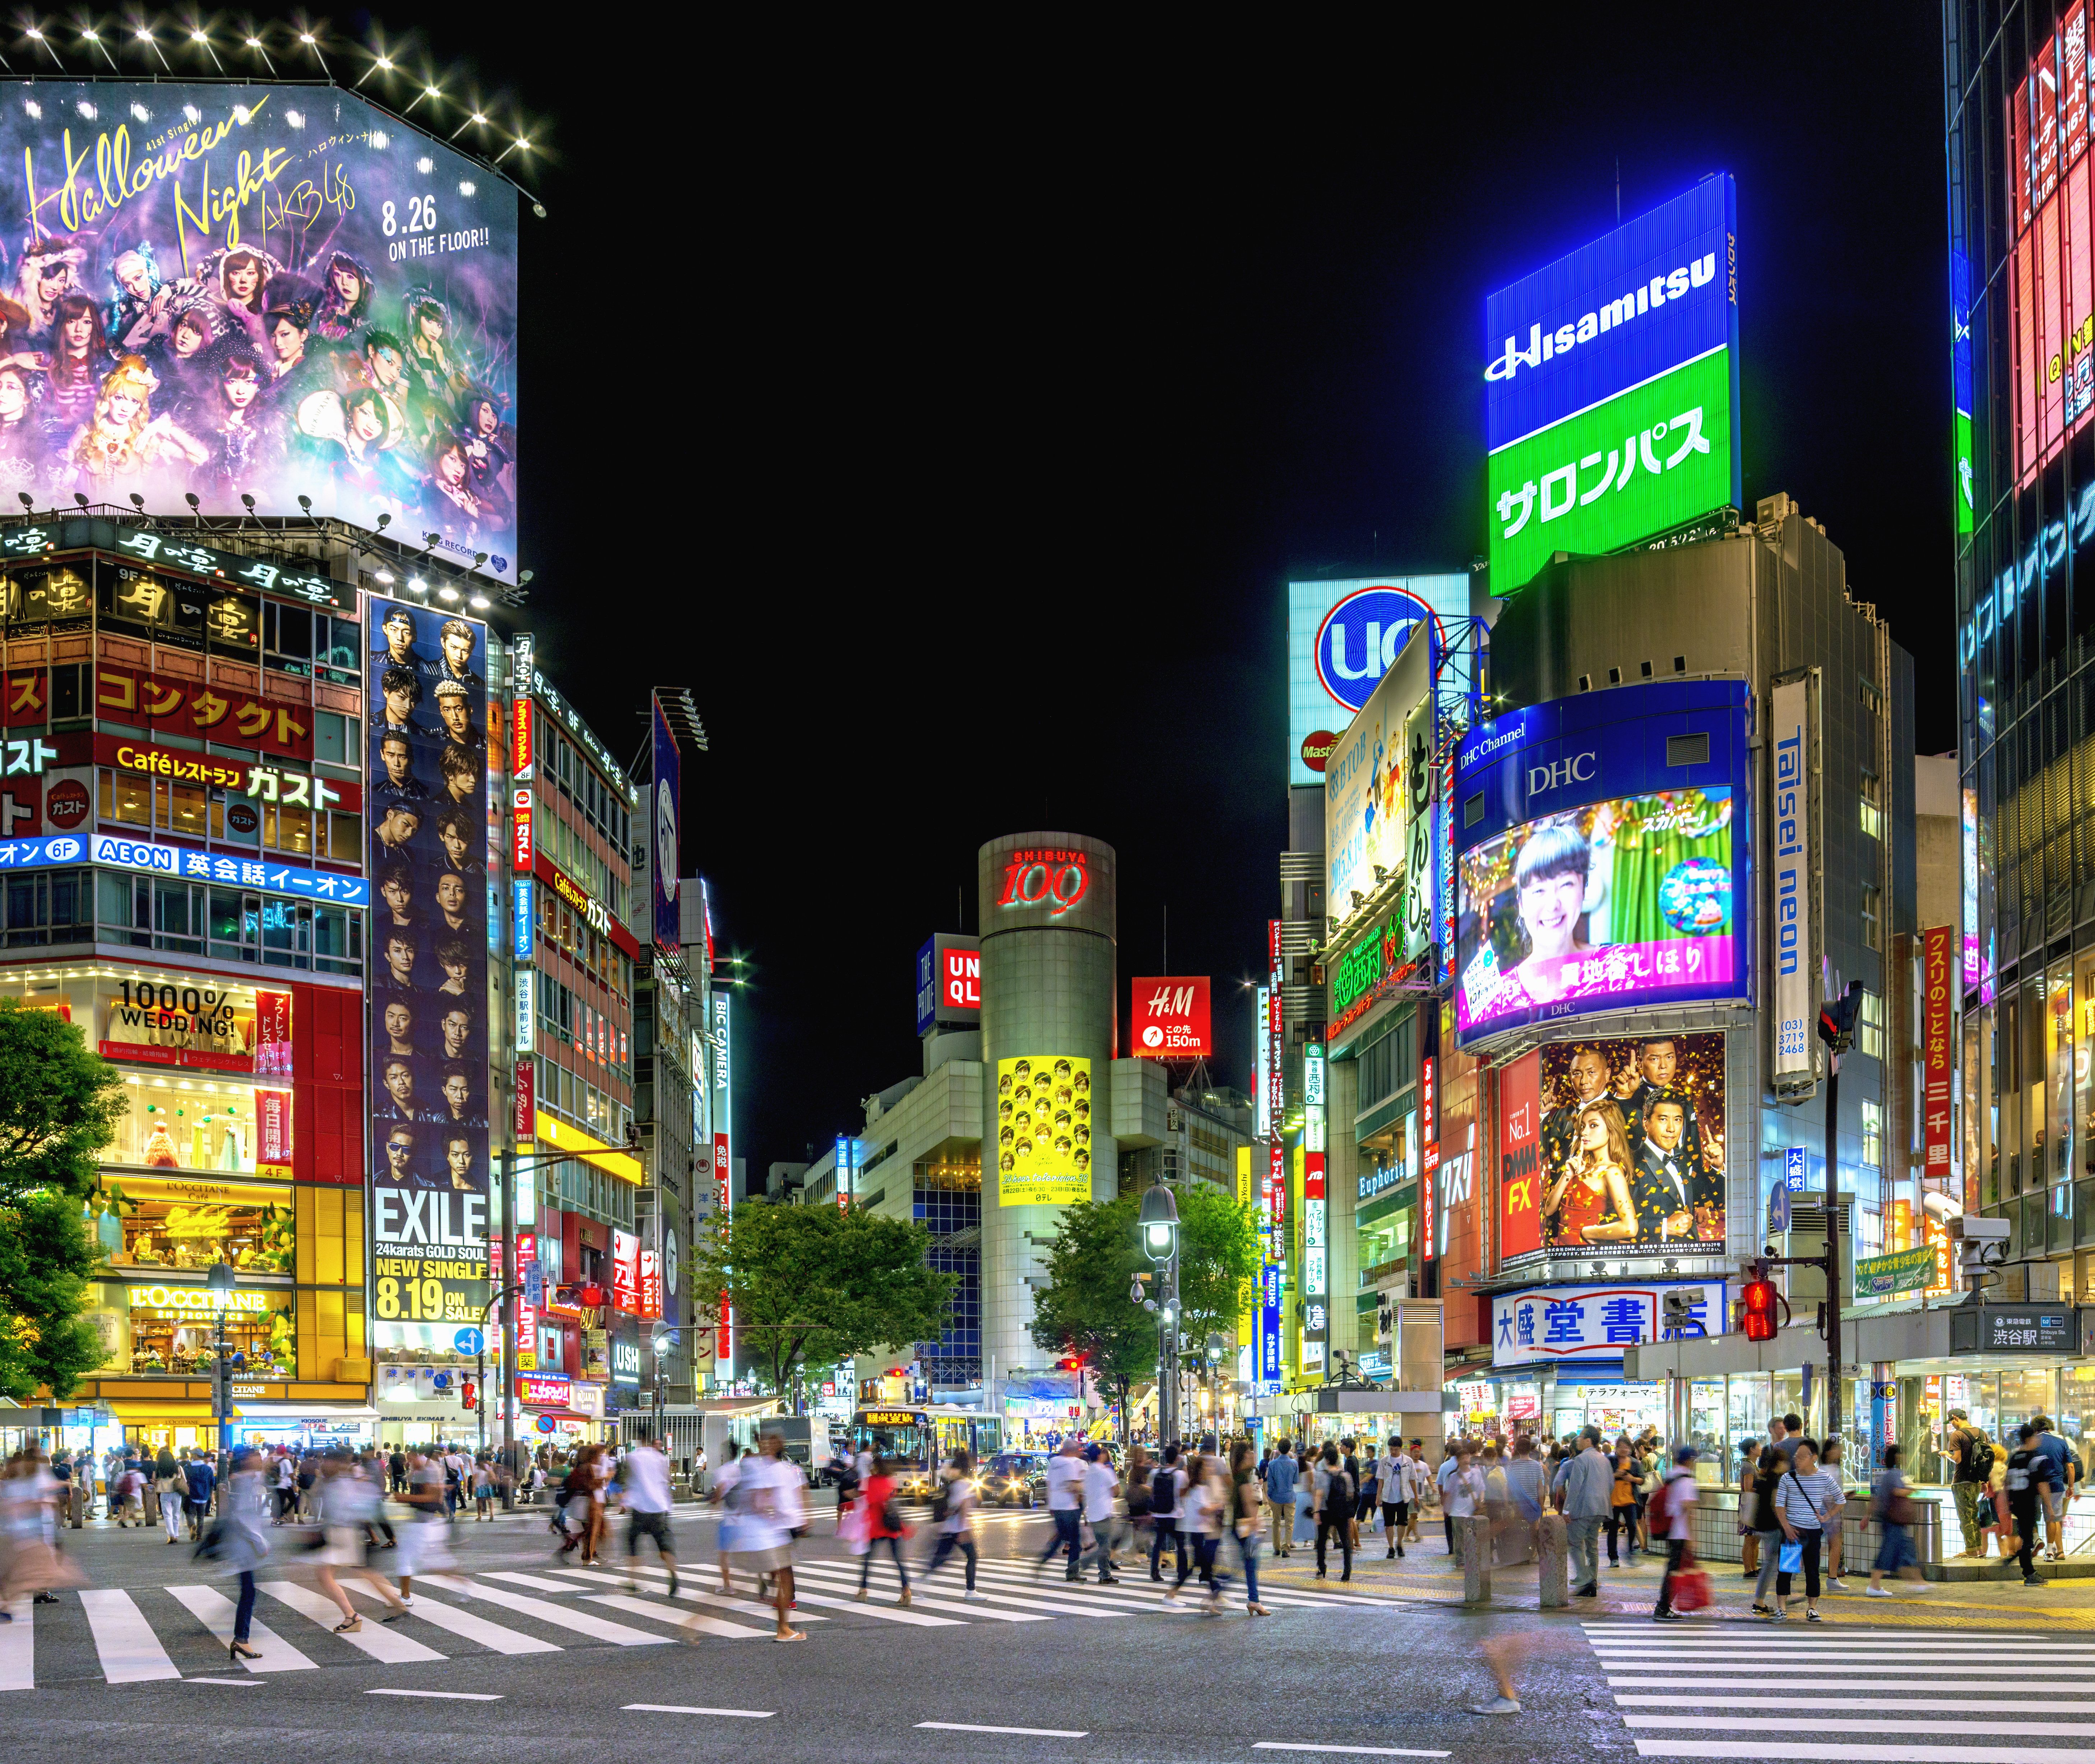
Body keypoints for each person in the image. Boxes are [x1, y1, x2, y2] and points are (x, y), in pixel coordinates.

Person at [310, 1450, 411, 1632]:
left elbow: (361, 1505)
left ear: (337, 1463)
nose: (323, 1464)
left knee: (325, 1574)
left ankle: (352, 1617)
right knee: (365, 1573)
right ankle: (398, 1605)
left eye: (327, 1461)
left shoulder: (347, 1481)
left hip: (344, 1533)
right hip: (341, 1533)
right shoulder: (334, 1480)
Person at [1772, 1436, 1840, 1621]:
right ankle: (1782, 1608)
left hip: (1813, 1531)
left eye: (1803, 1456)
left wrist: (1828, 1516)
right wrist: (1786, 1527)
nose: (1798, 1459)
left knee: (1813, 1570)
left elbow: (1841, 1500)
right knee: (1786, 1571)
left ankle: (1812, 1608)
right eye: (1797, 1456)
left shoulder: (1824, 1477)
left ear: (1814, 1458)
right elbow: (1780, 1505)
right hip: (1793, 1531)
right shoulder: (1789, 1477)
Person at [1865, 1443, 1932, 1598]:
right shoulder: (1895, 1474)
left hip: (1889, 1519)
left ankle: (1918, 1582)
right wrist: (1912, 1490)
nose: (1904, 1457)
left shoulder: (1889, 1474)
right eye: (1901, 1454)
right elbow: (1897, 1492)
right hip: (1892, 1520)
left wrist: (1867, 1516)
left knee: (1905, 1551)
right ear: (1897, 1456)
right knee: (1889, 1552)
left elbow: (1877, 1498)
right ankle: (1874, 1585)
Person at [1553, 1426, 1613, 1598]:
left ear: (1588, 1441)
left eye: (1581, 1437)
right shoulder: (1605, 1460)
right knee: (1592, 1546)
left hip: (1584, 1509)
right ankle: (1592, 1582)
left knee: (1573, 1542)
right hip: (1602, 1509)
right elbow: (1611, 1485)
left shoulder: (1581, 1460)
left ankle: (1586, 1579)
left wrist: (1566, 1510)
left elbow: (1575, 1487)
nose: (1578, 1440)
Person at [923, 1448, 989, 1602]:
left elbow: (953, 1507)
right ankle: (970, 1591)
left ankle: (923, 1578)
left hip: (949, 1527)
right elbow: (964, 1507)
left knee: (943, 1557)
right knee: (972, 1556)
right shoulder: (965, 1484)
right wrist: (963, 1529)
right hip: (959, 1528)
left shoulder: (953, 1483)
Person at [391, 1447, 452, 1606]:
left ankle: (405, 1597)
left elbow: (430, 1497)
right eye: (408, 1459)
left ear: (420, 1456)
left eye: (412, 1458)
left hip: (424, 1524)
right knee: (424, 1561)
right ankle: (462, 1583)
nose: (409, 1462)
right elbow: (434, 1493)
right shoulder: (421, 1469)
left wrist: (403, 1498)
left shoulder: (429, 1469)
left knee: (409, 1559)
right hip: (424, 1521)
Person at [621, 1431, 678, 1597]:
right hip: (659, 1508)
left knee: (632, 1540)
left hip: (640, 1508)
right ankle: (673, 1572)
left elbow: (628, 1480)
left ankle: (633, 1580)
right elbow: (667, 1479)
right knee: (663, 1542)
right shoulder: (661, 1458)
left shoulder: (633, 1457)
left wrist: (624, 1502)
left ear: (639, 1439)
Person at [1650, 1445, 1700, 1621]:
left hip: (1671, 1529)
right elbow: (1687, 1507)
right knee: (1673, 1570)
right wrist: (1691, 1537)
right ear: (1689, 1460)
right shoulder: (1686, 1479)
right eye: (1694, 1460)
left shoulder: (1672, 1474)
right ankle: (1663, 1608)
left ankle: (1665, 1606)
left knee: (1673, 1568)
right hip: (1680, 1531)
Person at [2006, 1422, 2057, 1588]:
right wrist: (2049, 1506)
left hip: (2016, 1503)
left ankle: (2019, 1561)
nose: (2037, 1439)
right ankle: (2029, 1573)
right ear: (2030, 1438)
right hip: (2029, 1502)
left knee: (2025, 1535)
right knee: (2028, 1538)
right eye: (2035, 1436)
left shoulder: (2014, 1457)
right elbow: (2042, 1484)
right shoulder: (2036, 1458)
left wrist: (2008, 1502)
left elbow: (2007, 1482)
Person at [856, 1453, 910, 1604]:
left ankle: (863, 1590)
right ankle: (906, 1591)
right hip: (891, 1527)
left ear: (875, 1467)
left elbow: (867, 1501)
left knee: (867, 1559)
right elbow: (891, 1500)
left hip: (876, 1527)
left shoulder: (869, 1482)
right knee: (899, 1561)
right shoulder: (890, 1482)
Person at [1035, 1438, 1084, 1581]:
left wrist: (1051, 1504)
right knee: (1076, 1542)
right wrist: (1081, 1494)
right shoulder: (1070, 1464)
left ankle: (1043, 1560)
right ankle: (1073, 1573)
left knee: (1060, 1538)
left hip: (1057, 1507)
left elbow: (1049, 1484)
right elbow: (1073, 1486)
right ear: (1072, 1451)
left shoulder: (1055, 1462)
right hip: (1069, 1507)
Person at [2034, 1414, 2078, 1562]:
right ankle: (2051, 1551)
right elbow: (2071, 1466)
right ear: (2049, 1427)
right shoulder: (2061, 1443)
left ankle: (2034, 1543)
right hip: (2056, 1486)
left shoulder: (2033, 1442)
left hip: (2036, 1487)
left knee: (2030, 1517)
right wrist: (2071, 1487)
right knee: (2052, 1519)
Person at [1079, 1444, 1121, 1584]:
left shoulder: (1088, 1472)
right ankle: (1103, 1574)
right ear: (1100, 1456)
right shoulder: (1105, 1471)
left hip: (1092, 1513)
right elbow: (1117, 1492)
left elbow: (1084, 1493)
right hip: (1104, 1513)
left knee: (1104, 1544)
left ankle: (1103, 1572)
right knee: (1106, 1545)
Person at [1313, 1441, 1355, 1582]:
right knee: (1346, 1542)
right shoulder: (1345, 1475)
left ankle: (1322, 1567)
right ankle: (1347, 1572)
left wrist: (1316, 1512)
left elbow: (1319, 1494)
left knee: (1322, 1541)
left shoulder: (1322, 1474)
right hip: (1342, 1513)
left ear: (1326, 1459)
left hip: (1326, 1511)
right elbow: (1351, 1494)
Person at [1820, 1435, 1852, 1590]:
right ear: (1829, 1452)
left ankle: (1831, 1577)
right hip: (1830, 1511)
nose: (1839, 1452)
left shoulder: (1824, 1469)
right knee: (1835, 1545)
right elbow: (1830, 1495)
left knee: (1829, 1544)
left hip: (1826, 1510)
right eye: (1836, 1449)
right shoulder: (1830, 1470)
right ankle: (1832, 1578)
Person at [1606, 1440, 1640, 1567]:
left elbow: (1642, 1480)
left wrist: (1632, 1479)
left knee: (1632, 1526)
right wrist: (1615, 1475)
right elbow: (1604, 1477)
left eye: (1627, 1447)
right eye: (1621, 1447)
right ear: (1617, 1448)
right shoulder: (1611, 1461)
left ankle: (1630, 1549)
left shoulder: (1635, 1463)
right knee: (1613, 1530)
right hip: (1613, 1501)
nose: (1624, 1449)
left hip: (1630, 1500)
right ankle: (1614, 1558)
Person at [1376, 1438, 1409, 1559]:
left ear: (1401, 1448)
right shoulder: (1384, 1461)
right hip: (1388, 1497)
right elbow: (1381, 1480)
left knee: (1402, 1523)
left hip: (1403, 1497)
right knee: (1389, 1524)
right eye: (1391, 1449)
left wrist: (1415, 1496)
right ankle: (1391, 1548)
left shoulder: (1407, 1461)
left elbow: (1412, 1479)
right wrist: (1378, 1496)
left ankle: (1399, 1544)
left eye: (1396, 1449)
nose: (1394, 1452)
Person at [1735, 1438, 1760, 1578]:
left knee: (1755, 1538)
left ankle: (1754, 1567)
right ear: (1752, 1450)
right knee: (1750, 1538)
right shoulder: (1748, 1466)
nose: (1761, 1448)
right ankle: (1748, 1569)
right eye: (1759, 1446)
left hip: (1753, 1505)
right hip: (1750, 1505)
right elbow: (1748, 1488)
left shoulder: (1752, 1464)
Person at [156, 1444, 185, 1545]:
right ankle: (176, 1536)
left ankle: (171, 1536)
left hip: (164, 1494)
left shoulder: (160, 1469)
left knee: (168, 1516)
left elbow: (157, 1480)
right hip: (177, 1493)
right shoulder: (178, 1468)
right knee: (176, 1515)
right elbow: (184, 1480)